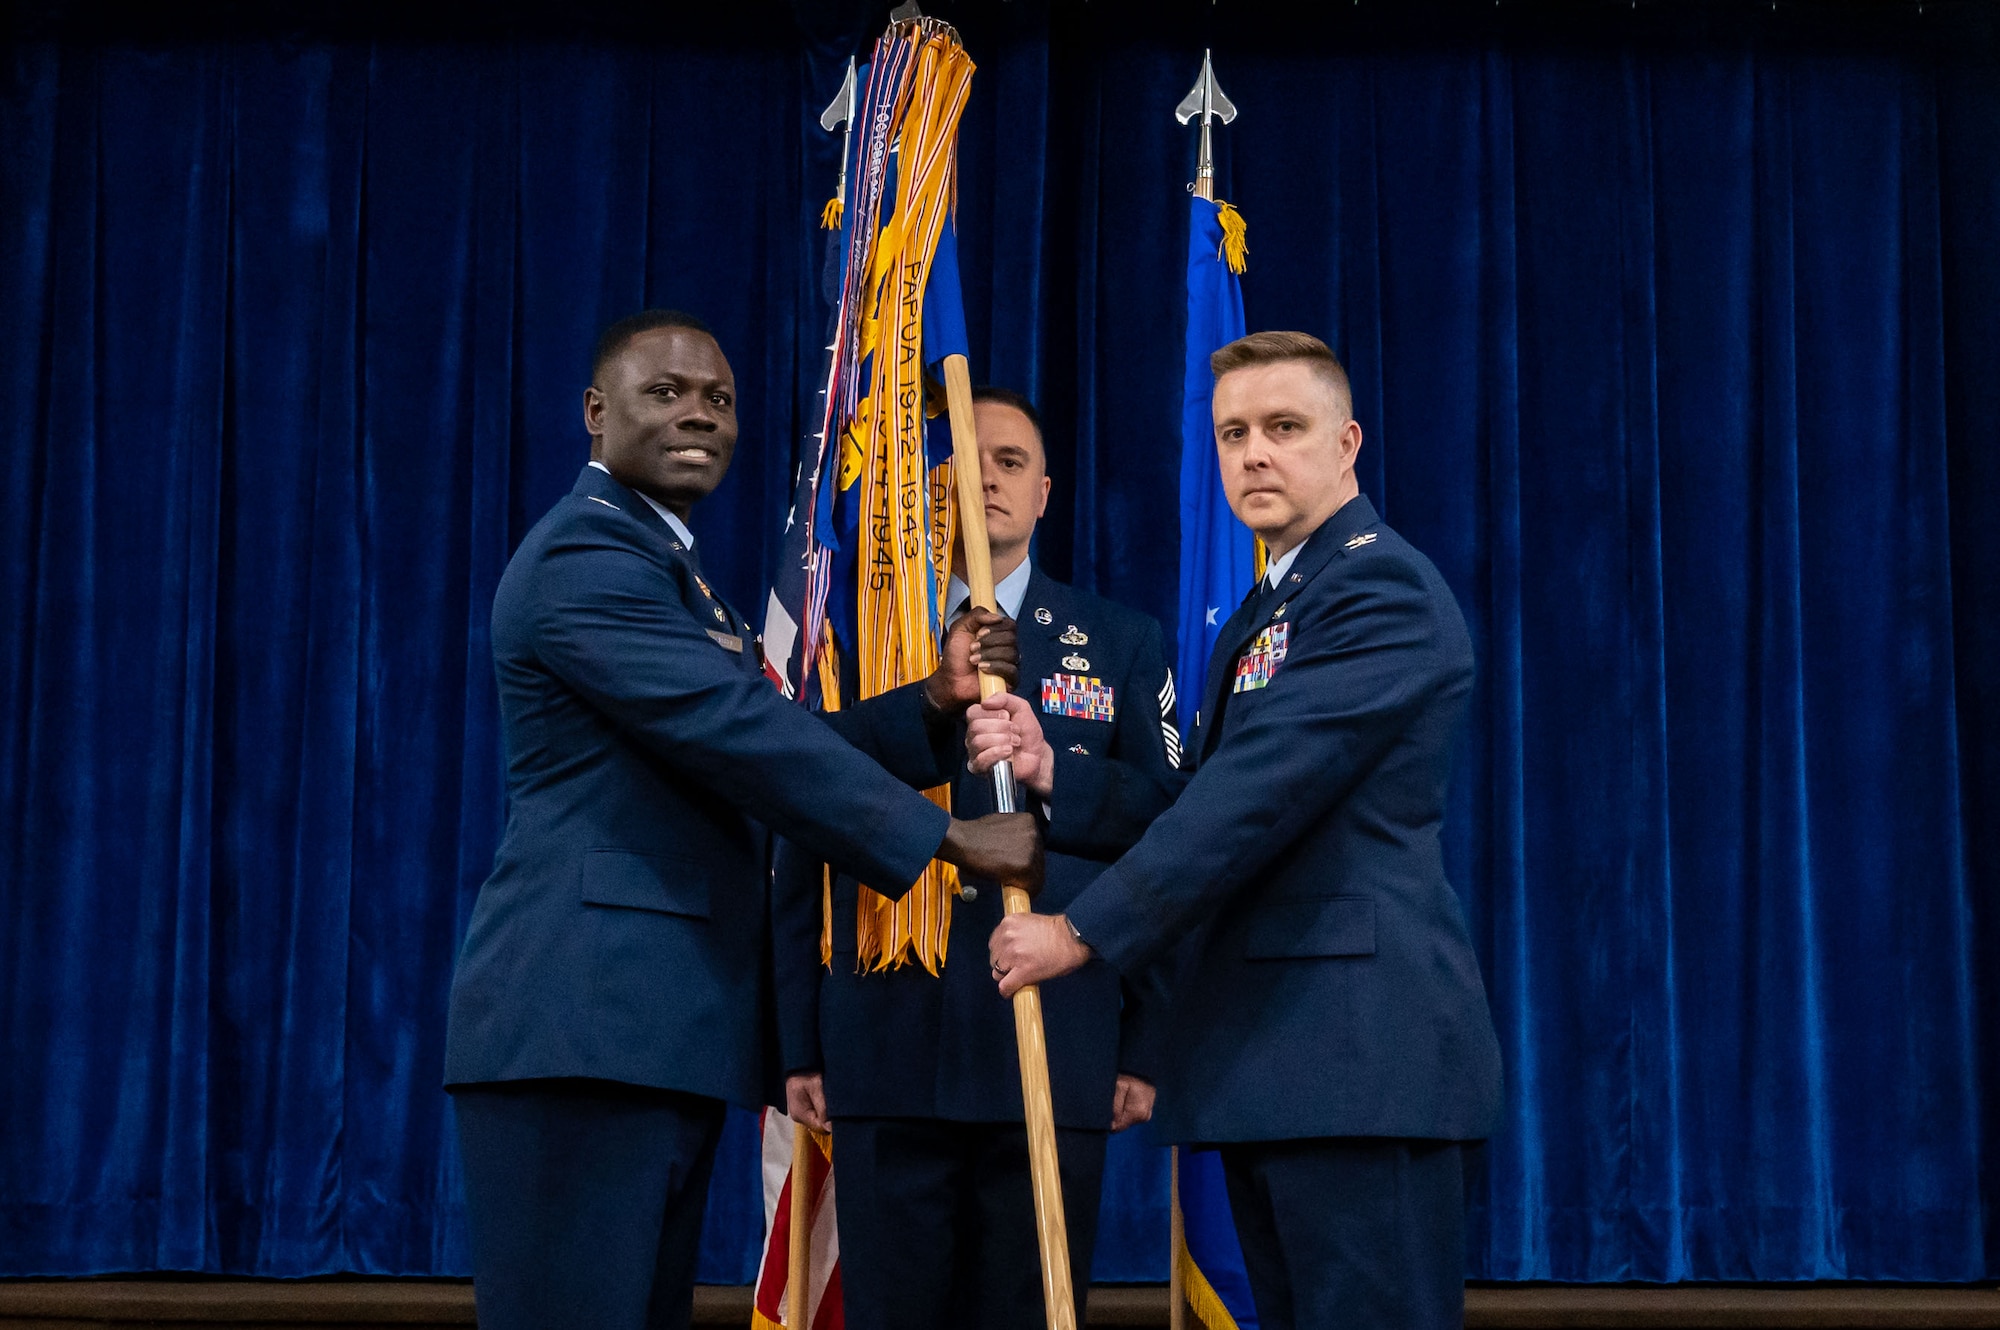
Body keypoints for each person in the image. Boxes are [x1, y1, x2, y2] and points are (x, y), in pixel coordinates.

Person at [443, 310, 1043, 1330]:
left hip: (644, 1033)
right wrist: (944, 838)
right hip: (580, 1028)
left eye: (717, 400)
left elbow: (762, 736)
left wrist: (934, 703)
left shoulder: (667, 571)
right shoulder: (584, 559)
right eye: (665, 392)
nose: (699, 416)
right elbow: (734, 732)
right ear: (595, 413)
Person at [978, 332, 1503, 1330]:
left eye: (1282, 428)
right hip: (1280, 1061)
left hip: (1358, 1060)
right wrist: (1061, 776)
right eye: (1232, 433)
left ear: (1345, 443)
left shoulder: (1375, 588)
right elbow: (1204, 795)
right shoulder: (1270, 604)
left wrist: (1079, 931)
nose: (1253, 452)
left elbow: (1258, 791)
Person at [770, 387, 1182, 1330]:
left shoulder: (1120, 641)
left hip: (1058, 1033)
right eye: (958, 462)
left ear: (1044, 492)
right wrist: (797, 1041)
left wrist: (1144, 1043)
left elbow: (1170, 833)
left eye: (1008, 462)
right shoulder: (859, 637)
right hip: (884, 1037)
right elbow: (798, 821)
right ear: (921, 493)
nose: (983, 480)